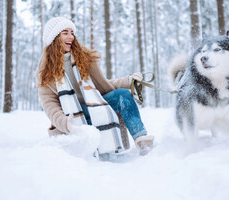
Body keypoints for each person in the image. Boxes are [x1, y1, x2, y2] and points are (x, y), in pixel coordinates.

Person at [35, 16, 154, 156]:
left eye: (72, 32)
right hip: (72, 118)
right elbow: (50, 107)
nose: (71, 37)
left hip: (94, 108)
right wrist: (67, 123)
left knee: (122, 94)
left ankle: (142, 141)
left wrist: (129, 81)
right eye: (65, 33)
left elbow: (102, 86)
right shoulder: (44, 72)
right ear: (54, 38)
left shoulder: (83, 59)